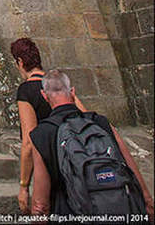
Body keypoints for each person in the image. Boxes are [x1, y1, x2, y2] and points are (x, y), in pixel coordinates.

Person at [30, 69, 154, 221]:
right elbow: (130, 166)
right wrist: (147, 202)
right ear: (73, 92)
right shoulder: (100, 122)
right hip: (120, 210)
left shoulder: (42, 134)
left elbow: (40, 204)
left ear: (44, 95)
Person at [10, 37, 86, 213]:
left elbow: (29, 143)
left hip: (48, 166)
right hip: (74, 158)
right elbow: (85, 116)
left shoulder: (26, 91)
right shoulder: (58, 84)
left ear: (20, 62)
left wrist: (23, 186)